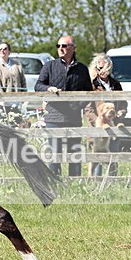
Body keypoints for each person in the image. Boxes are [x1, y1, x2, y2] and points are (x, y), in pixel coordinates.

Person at [34, 35, 92, 176]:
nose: (60, 49)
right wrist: (48, 89)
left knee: (75, 154)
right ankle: (55, 184)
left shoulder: (82, 69)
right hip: (53, 117)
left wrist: (78, 105)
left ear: (73, 48)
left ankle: (76, 183)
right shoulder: (50, 66)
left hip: (73, 118)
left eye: (64, 46)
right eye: (58, 46)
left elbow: (88, 91)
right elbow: (38, 85)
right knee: (54, 155)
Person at [84, 53, 126, 176]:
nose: (100, 71)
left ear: (109, 68)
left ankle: (113, 183)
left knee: (113, 157)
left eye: (103, 68)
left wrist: (121, 112)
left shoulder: (116, 84)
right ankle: (95, 184)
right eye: (98, 68)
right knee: (96, 159)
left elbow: (123, 103)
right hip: (97, 128)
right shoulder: (92, 85)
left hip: (114, 126)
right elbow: (88, 109)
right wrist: (99, 121)